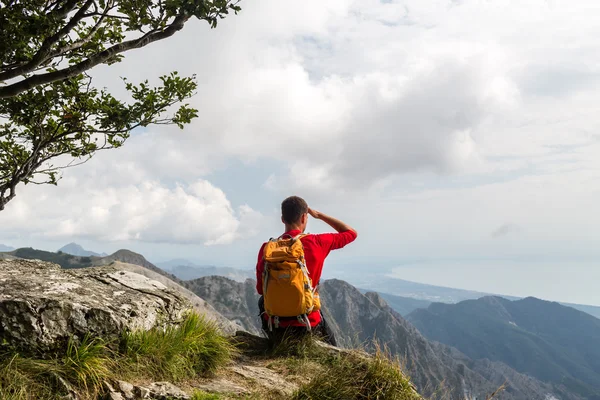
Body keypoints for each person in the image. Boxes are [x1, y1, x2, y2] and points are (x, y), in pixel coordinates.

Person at [255, 195, 357, 346]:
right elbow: (350, 233)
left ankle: (273, 342)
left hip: (276, 326)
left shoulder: (267, 249)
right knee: (331, 342)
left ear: (282, 219)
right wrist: (320, 215)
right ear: (304, 217)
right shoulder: (316, 242)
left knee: (261, 301)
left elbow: (260, 289)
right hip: (307, 325)